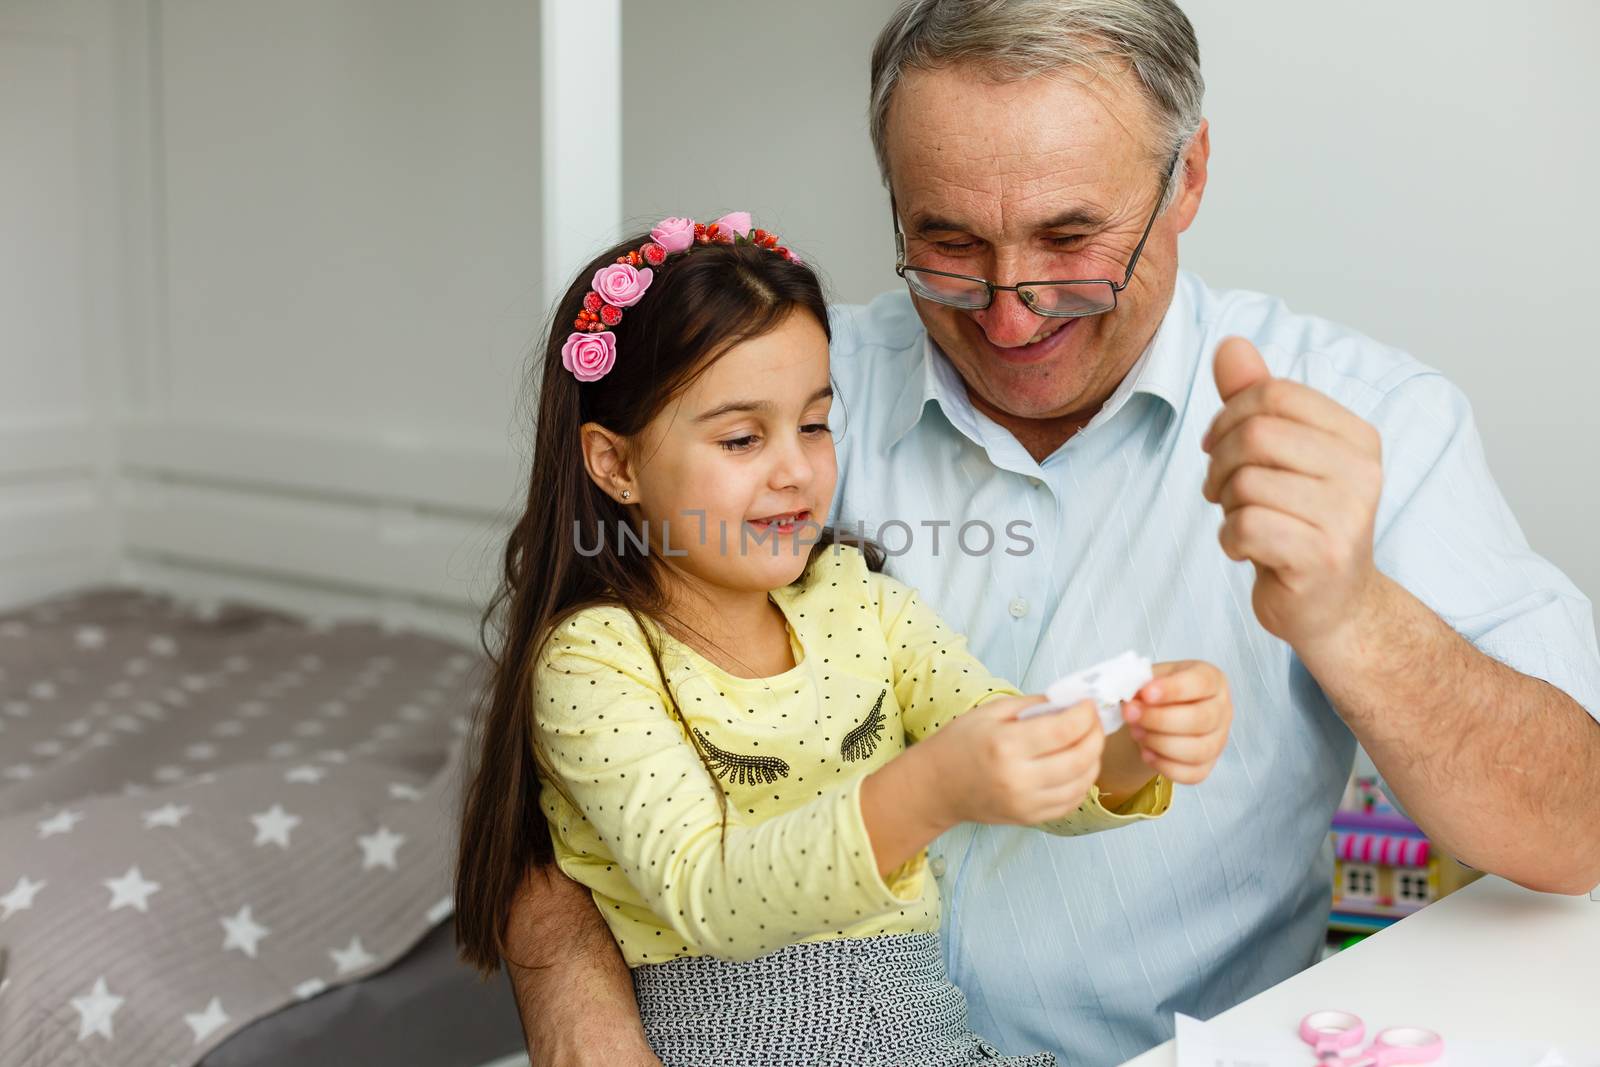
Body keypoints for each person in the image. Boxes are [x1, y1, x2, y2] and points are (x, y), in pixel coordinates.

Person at [494, 3, 1600, 1065]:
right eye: (948, 243)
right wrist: (567, 989)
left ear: (1189, 177)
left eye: (1070, 240)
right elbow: (560, 756)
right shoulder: (780, 387)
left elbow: (1577, 828)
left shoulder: (1373, 418)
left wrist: (1346, 615)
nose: (1011, 314)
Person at [454, 214, 1234, 1064]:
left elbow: (1015, 741)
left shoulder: (859, 603)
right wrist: (928, 789)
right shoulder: (597, 659)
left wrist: (1132, 744)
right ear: (616, 464)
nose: (795, 467)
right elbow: (706, 890)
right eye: (743, 437)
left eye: (815, 424)